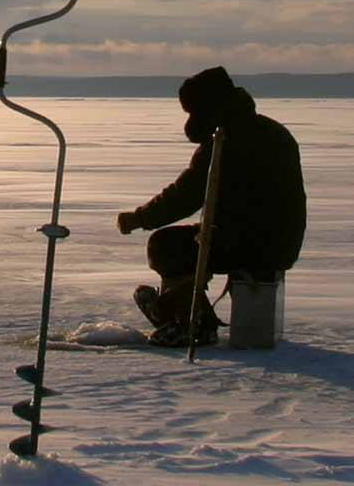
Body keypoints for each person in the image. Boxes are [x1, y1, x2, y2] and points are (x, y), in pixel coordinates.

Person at [117, 66, 306, 347]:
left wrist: (139, 218)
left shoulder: (226, 140)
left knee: (165, 245)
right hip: (279, 240)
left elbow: (187, 194)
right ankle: (184, 311)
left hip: (250, 241)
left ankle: (193, 322)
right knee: (197, 239)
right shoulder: (271, 131)